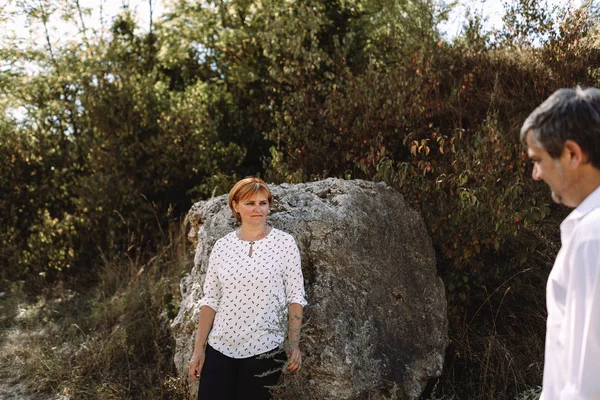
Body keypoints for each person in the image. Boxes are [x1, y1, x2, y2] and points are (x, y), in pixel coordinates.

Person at [188, 177, 307, 400]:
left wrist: (294, 343)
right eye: (250, 203)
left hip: (265, 351)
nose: (258, 209)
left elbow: (295, 297)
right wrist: (198, 349)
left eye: (263, 203)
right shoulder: (222, 246)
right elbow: (210, 300)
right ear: (236, 206)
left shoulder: (285, 243)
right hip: (220, 348)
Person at [521, 87, 600, 399]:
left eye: (537, 160)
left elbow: (587, 383)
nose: (536, 174)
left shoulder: (592, 237)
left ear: (572, 154)